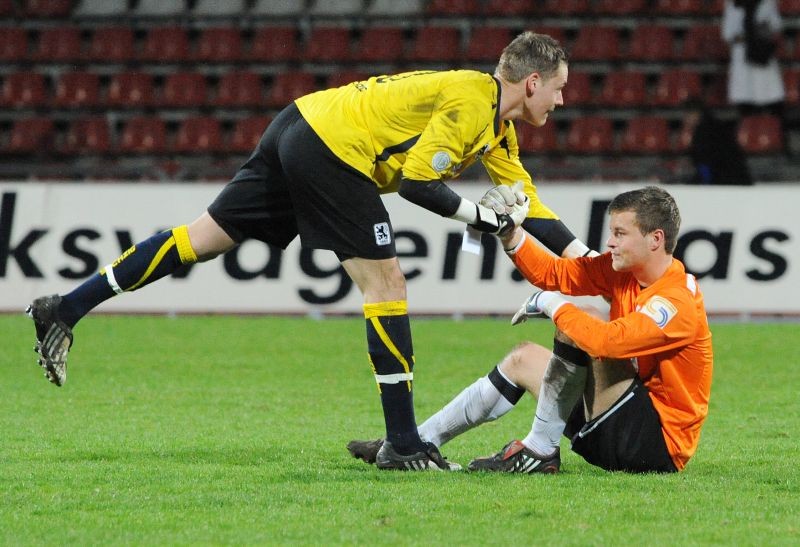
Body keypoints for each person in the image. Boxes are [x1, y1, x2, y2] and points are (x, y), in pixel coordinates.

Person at [27, 32, 595, 471]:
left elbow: (529, 205)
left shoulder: (495, 125)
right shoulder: (473, 103)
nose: (562, 99)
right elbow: (420, 185)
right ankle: (402, 443)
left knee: (200, 240)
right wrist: (486, 218)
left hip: (300, 123)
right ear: (532, 82)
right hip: (334, 149)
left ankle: (65, 308)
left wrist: (591, 259)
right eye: (559, 87)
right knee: (386, 285)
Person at [349, 186, 714, 473]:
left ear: (655, 239)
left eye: (620, 233)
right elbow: (553, 273)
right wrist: (511, 235)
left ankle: (540, 450)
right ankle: (413, 445)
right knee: (523, 359)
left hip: (657, 444)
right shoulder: (625, 274)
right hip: (617, 420)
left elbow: (609, 344)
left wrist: (552, 304)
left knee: (583, 321)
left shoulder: (677, 301)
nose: (610, 243)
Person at [722, 0, 785, 118]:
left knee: (771, 98)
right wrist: (747, 35)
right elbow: (728, 34)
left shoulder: (767, 3)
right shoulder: (733, 6)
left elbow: (776, 26)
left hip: (763, 54)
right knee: (745, 103)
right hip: (742, 58)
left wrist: (758, 31)